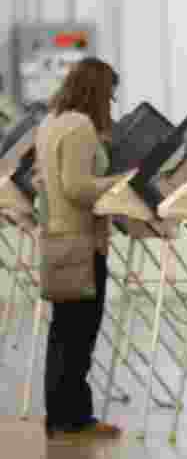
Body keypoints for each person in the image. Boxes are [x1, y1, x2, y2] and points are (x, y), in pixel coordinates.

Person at [37, 57, 124, 439]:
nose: (112, 102)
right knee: (79, 334)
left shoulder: (51, 122)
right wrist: (119, 183)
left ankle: (59, 415)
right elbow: (77, 187)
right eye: (111, 94)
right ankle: (75, 418)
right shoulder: (81, 126)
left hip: (56, 239)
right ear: (98, 91)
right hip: (81, 244)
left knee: (63, 332)